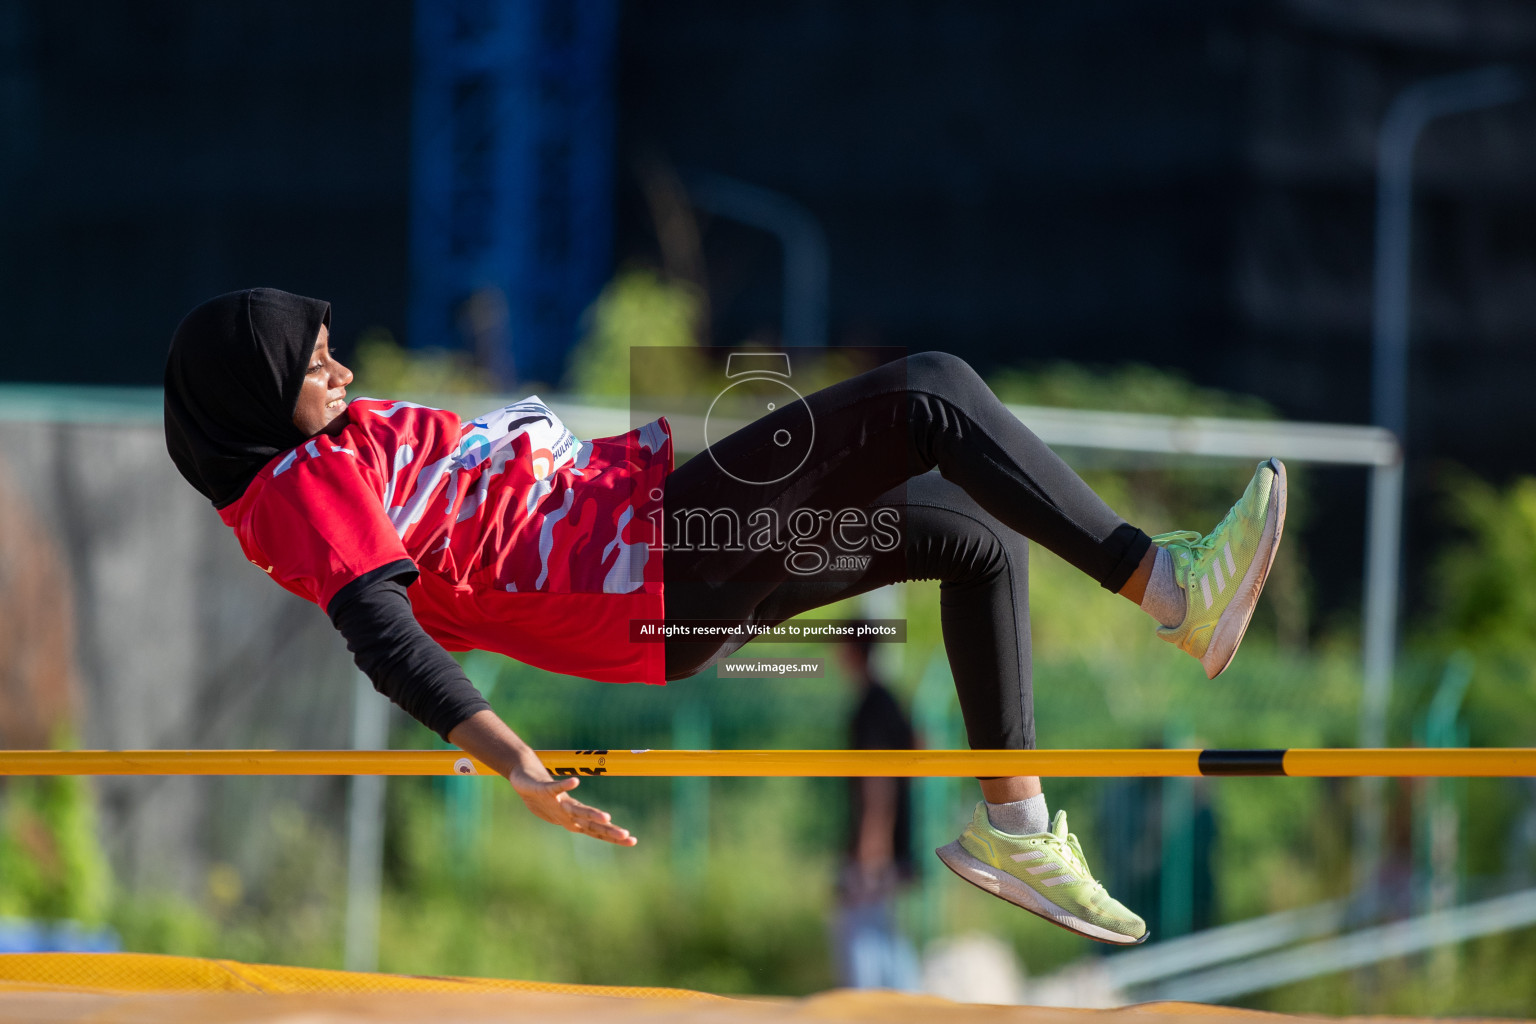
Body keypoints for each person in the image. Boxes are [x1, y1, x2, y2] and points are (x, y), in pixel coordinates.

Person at [164, 287, 1287, 946]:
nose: (346, 371)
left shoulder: (323, 459)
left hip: (652, 553)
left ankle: (1020, 830)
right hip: (644, 561)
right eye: (317, 369)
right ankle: (1171, 589)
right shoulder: (299, 491)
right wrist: (510, 757)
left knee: (970, 540)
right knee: (930, 391)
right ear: (257, 397)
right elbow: (382, 630)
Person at [832, 634, 919, 989]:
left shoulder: (871, 706)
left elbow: (877, 783)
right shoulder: (890, 701)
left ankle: (868, 1011)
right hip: (893, 842)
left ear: (851, 652)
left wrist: (872, 852)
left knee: (861, 934)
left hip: (878, 848)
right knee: (884, 933)